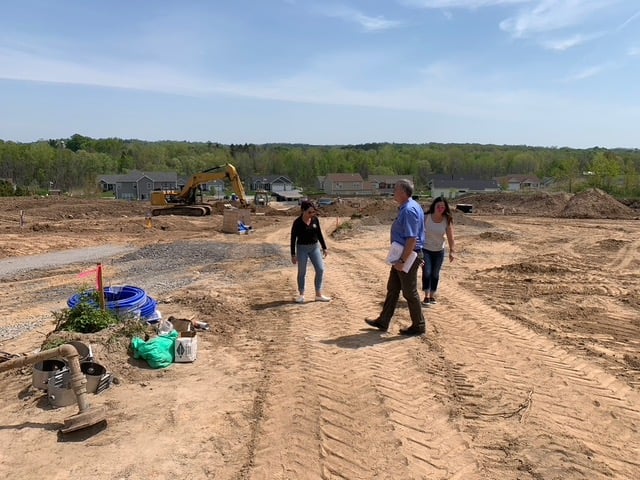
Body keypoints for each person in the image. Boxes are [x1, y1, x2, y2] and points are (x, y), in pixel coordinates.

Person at [365, 179, 426, 336]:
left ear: (403, 192)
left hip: (407, 256)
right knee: (393, 288)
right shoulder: (409, 207)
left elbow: (412, 238)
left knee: (409, 292)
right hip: (402, 254)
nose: (394, 192)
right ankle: (383, 320)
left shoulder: (409, 210)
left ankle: (419, 325)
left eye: (396, 189)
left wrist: (403, 261)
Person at [290, 200, 331, 303]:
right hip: (302, 248)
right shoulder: (297, 223)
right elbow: (293, 238)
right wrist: (293, 255)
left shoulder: (315, 220)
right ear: (303, 211)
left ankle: (318, 294)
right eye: (309, 212)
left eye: (313, 212)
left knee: (320, 269)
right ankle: (301, 294)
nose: (311, 214)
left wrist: (324, 247)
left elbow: (319, 234)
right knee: (302, 271)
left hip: (314, 248)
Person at [421, 196, 455, 305]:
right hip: (426, 249)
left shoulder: (446, 220)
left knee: (435, 274)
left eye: (443, 207)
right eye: (438, 206)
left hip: (439, 250)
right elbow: (417, 232)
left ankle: (432, 295)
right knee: (427, 272)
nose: (440, 208)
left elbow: (450, 236)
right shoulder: (426, 217)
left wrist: (452, 251)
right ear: (434, 206)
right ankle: (426, 296)